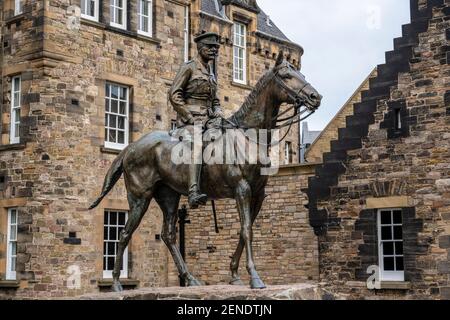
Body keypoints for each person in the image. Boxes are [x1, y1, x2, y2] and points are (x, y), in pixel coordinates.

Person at [169, 32, 224, 209]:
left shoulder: (212, 74)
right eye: (210, 47)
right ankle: (193, 191)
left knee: (230, 137)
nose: (214, 51)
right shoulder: (189, 68)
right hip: (190, 120)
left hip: (209, 119)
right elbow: (174, 94)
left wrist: (218, 110)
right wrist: (188, 117)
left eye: (216, 48)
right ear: (200, 48)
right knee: (198, 143)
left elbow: (215, 100)